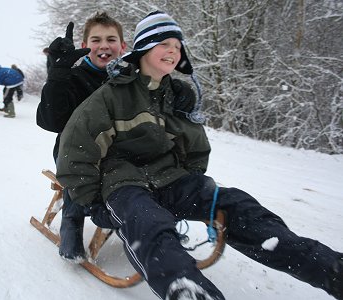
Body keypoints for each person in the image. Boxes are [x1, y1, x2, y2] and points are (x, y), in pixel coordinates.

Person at [55, 11, 343, 300]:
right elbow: (75, 150)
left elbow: (195, 147)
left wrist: (191, 180)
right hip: (122, 185)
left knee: (235, 202)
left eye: (178, 46)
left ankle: (328, 267)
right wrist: (92, 202)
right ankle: (186, 289)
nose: (173, 51)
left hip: (169, 179)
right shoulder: (110, 96)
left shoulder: (177, 95)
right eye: (164, 43)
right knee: (149, 222)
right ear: (144, 47)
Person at [36, 11, 197, 262]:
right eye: (96, 40)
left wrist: (181, 92)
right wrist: (57, 74)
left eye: (111, 39)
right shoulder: (73, 77)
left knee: (161, 166)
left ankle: (157, 226)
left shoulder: (134, 76)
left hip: (123, 152)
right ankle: (72, 219)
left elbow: (159, 103)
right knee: (80, 166)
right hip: (78, 151)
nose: (103, 46)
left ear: (123, 46)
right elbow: (50, 121)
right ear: (84, 46)